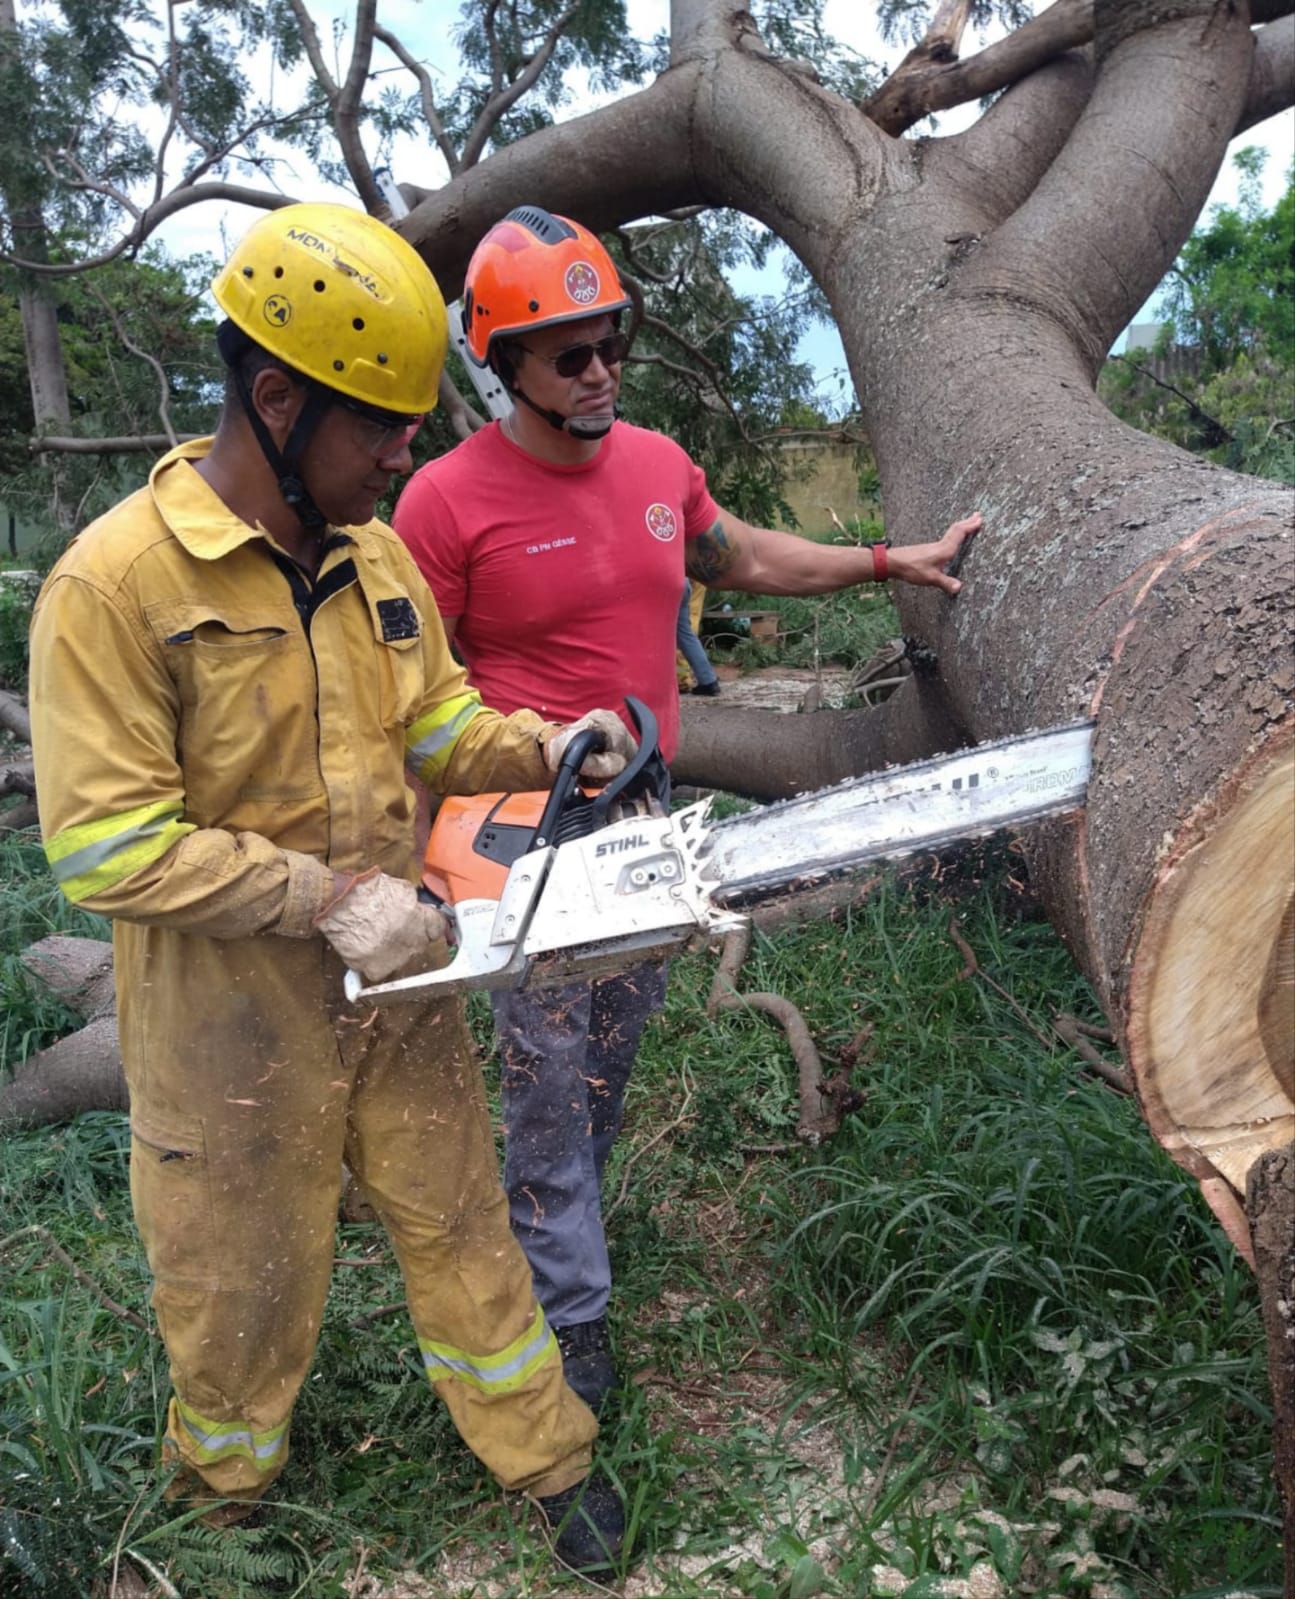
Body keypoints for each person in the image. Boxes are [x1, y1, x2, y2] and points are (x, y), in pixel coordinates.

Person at [26, 203, 640, 1576]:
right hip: (223, 1024)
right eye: (382, 426)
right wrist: (323, 897)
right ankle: (220, 1506)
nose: (406, 452)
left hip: (399, 987)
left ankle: (546, 1453)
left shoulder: (372, 558)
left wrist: (544, 743)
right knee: (234, 1278)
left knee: (464, 1223)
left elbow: (434, 724)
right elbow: (105, 845)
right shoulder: (114, 588)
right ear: (277, 397)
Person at [392, 204, 981, 1413]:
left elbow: (737, 556)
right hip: (515, 828)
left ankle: (562, 1225)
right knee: (548, 1076)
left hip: (644, 816)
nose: (600, 369)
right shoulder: (444, 505)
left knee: (609, 1058)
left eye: (611, 341)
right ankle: (567, 1316)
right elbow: (404, 700)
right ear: (502, 364)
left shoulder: (658, 468)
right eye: (569, 352)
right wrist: (404, 860)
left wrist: (886, 561)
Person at [677, 577, 720, 695]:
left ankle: (680, 680)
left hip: (662, 582)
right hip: (683, 581)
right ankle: (708, 681)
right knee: (685, 634)